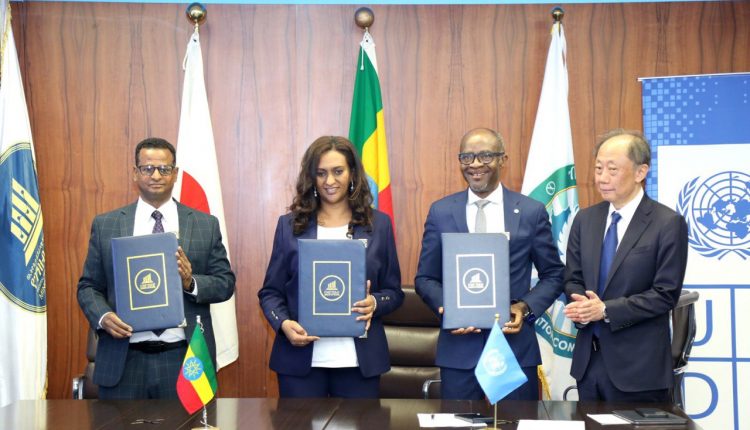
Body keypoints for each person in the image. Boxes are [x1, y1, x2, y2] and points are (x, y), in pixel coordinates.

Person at [77, 137, 235, 399]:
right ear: (135, 173)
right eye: (148, 168)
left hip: (184, 359)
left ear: (175, 174)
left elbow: (225, 283)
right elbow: (88, 286)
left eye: (164, 169)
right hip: (123, 359)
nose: (156, 176)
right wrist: (103, 316)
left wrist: (191, 282)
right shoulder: (107, 225)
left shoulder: (205, 224)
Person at [415, 127, 564, 400]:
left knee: (515, 420)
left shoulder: (530, 212)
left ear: (502, 159)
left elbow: (554, 274)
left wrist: (525, 307)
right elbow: (425, 278)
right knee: (458, 421)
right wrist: (449, 310)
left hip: (514, 348)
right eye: (466, 157)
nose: (474, 164)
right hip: (459, 349)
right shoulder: (441, 212)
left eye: (485, 156)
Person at [258, 136, 403, 398]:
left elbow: (394, 292)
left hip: (359, 363)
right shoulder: (289, 226)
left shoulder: (378, 225)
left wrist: (374, 302)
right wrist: (284, 324)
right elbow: (270, 292)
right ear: (311, 178)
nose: (329, 181)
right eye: (321, 173)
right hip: (300, 362)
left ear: (352, 174)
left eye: (338, 171)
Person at [563, 129, 688, 402]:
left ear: (641, 172)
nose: (602, 178)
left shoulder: (667, 223)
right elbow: (573, 278)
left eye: (612, 169)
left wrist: (605, 310)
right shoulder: (585, 220)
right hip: (589, 364)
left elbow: (665, 294)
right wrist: (582, 304)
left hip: (639, 369)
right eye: (598, 168)